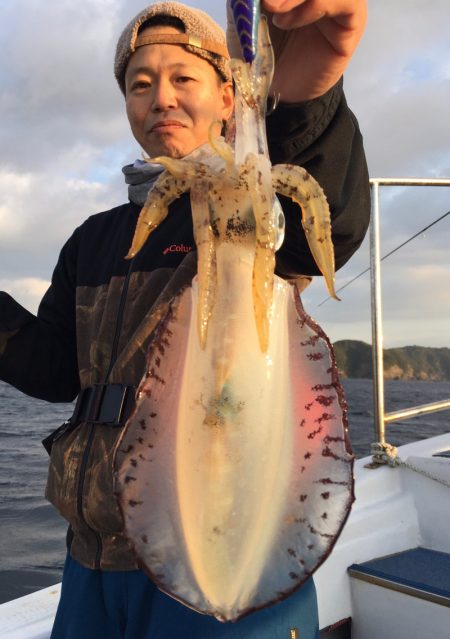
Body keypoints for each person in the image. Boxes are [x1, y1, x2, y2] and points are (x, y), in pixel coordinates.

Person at [0, 1, 369, 637]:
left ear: (229, 97)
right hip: (94, 561)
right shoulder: (96, 239)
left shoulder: (258, 219)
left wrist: (307, 101)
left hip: (237, 546)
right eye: (139, 84)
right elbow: (57, 368)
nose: (160, 97)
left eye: (183, 78)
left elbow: (323, 209)